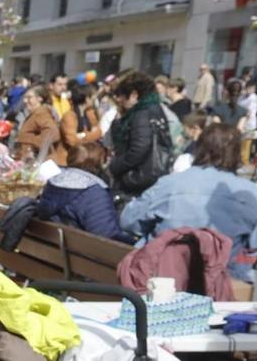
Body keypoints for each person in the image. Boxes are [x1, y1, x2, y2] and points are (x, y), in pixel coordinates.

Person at [119, 123, 257, 280]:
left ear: (199, 148)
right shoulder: (249, 192)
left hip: (165, 278)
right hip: (224, 283)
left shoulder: (170, 183)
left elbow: (129, 221)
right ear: (237, 153)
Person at [35, 141, 133, 243]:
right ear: (99, 162)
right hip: (77, 254)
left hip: (48, 248)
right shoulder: (94, 193)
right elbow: (107, 238)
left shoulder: (53, 183)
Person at [106, 70, 172, 199]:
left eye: (121, 95)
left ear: (134, 95)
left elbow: (139, 149)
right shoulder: (157, 110)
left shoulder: (141, 115)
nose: (118, 100)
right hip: (152, 178)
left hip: (137, 180)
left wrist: (114, 166)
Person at [15, 85, 61, 165]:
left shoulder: (41, 113)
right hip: (32, 163)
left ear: (40, 98)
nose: (25, 101)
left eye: (29, 97)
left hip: (39, 163)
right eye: (25, 98)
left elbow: (53, 134)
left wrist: (28, 140)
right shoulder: (35, 114)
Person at [58, 83, 104, 164]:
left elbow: (99, 132)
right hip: (69, 160)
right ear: (87, 98)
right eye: (93, 97)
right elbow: (72, 141)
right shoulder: (69, 116)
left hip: (85, 158)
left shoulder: (89, 114)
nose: (95, 99)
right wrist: (89, 135)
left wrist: (83, 135)